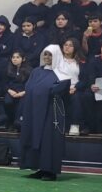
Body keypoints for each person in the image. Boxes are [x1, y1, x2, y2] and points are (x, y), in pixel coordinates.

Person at [19, 45, 69, 181]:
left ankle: (50, 171)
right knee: (35, 136)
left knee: (48, 139)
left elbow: (58, 90)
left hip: (51, 111)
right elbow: (29, 87)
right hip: (34, 110)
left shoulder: (62, 73)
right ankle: (39, 168)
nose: (47, 57)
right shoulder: (36, 71)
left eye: (50, 55)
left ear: (56, 56)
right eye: (45, 54)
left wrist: (40, 90)